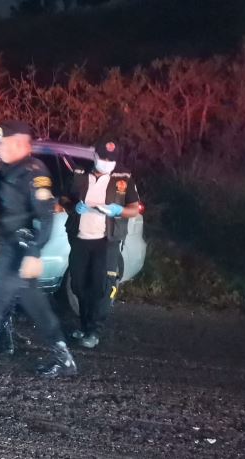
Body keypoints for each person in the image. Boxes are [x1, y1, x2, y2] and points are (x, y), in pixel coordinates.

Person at [0, 121, 76, 381]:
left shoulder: (34, 172)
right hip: (4, 244)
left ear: (20, 144)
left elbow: (45, 217)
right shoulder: (0, 169)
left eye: (4, 142)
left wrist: (33, 252)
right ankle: (64, 358)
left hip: (19, 249)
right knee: (37, 306)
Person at [60, 137, 140, 348]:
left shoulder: (124, 178)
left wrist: (119, 211)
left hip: (107, 241)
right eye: (103, 157)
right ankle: (84, 325)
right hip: (80, 239)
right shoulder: (79, 173)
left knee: (100, 287)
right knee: (78, 284)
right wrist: (73, 206)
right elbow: (64, 198)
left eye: (111, 159)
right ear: (95, 156)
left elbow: (134, 208)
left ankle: (94, 330)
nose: (107, 162)